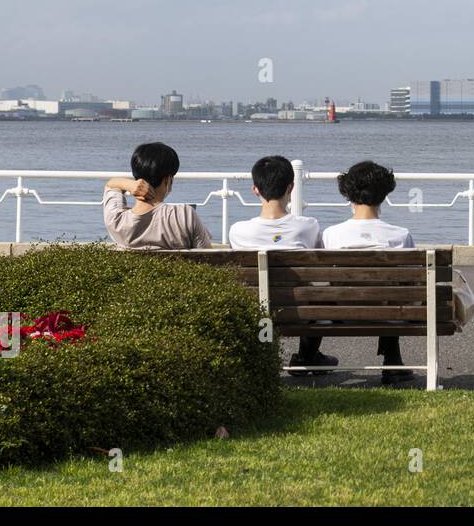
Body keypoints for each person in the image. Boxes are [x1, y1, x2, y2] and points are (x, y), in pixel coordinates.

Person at [227, 155, 335, 376]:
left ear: (255, 189)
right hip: (302, 309)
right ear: (291, 188)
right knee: (318, 292)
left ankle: (265, 358)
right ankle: (307, 355)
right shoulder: (308, 226)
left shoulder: (238, 231)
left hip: (254, 307)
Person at [321, 161, 416, 385]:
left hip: (342, 313)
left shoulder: (331, 234)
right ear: (384, 194)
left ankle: (307, 356)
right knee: (393, 295)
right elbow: (412, 281)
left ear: (347, 193)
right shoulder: (400, 235)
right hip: (389, 313)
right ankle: (393, 363)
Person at [103, 141, 212, 250]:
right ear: (167, 180)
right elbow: (207, 256)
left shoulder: (115, 220)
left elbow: (110, 186)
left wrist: (130, 185)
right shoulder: (184, 215)